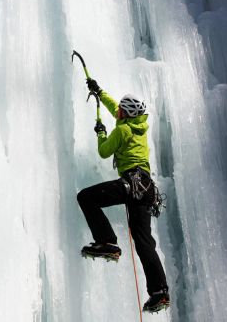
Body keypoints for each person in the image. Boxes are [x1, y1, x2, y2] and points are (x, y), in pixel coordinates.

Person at [77, 78, 170, 313]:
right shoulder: (137, 127)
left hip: (132, 184)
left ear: (125, 115)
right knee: (144, 242)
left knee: (86, 198)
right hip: (146, 189)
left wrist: (100, 132)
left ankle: (107, 241)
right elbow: (114, 108)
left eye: (120, 110)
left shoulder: (122, 130)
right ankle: (160, 292)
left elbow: (104, 151)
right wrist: (100, 92)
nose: (116, 111)